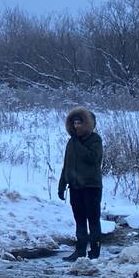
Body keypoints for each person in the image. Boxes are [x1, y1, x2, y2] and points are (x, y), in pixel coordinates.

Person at [57, 107, 103, 261]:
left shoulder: (95, 140)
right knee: (80, 220)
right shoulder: (71, 142)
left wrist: (78, 144)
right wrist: (62, 185)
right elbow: (67, 164)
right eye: (75, 123)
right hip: (75, 187)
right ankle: (80, 250)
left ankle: (95, 251)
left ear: (88, 124)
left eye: (80, 123)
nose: (77, 126)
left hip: (91, 186)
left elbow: (93, 158)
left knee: (93, 219)